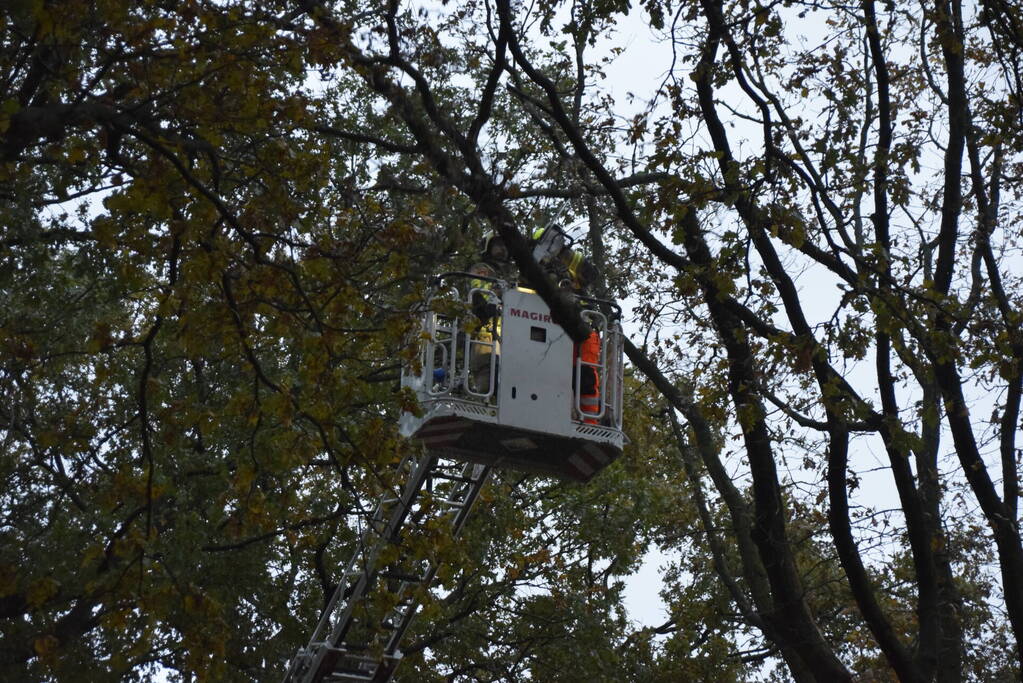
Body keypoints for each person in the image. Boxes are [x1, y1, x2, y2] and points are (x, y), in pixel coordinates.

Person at [530, 226, 602, 425]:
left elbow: (591, 273)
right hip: (544, 329)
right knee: (549, 377)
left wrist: (563, 253)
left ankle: (589, 423)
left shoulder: (569, 266)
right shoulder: (531, 271)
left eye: (556, 243)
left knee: (585, 376)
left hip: (582, 327)